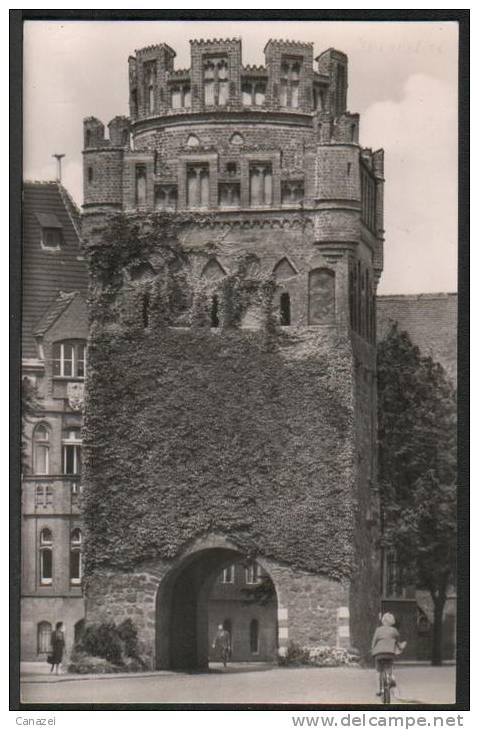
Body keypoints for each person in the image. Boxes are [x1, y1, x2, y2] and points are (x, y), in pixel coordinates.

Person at [371, 612, 406, 697]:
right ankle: (390, 679)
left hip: (378, 654)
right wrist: (401, 647)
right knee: (389, 668)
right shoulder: (394, 630)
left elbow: (373, 642)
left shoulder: (378, 630)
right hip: (389, 653)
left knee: (378, 671)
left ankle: (379, 690)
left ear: (383, 621)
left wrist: (372, 650)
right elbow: (398, 642)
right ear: (392, 621)